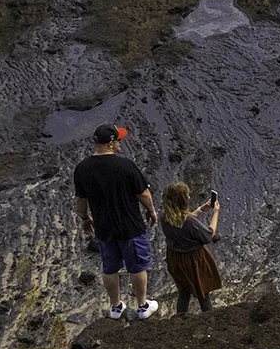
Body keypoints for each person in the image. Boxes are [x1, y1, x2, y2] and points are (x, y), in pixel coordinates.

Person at [73, 125, 159, 321]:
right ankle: (143, 305)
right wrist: (152, 211)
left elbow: (80, 199)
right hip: (130, 226)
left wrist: (85, 219)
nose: (120, 143)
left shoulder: (82, 169)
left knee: (110, 267)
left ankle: (115, 307)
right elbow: (143, 193)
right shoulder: (126, 166)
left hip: (104, 228)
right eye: (118, 140)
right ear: (110, 143)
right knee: (137, 266)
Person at [160, 182, 223, 315]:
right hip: (193, 260)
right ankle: (208, 317)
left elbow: (182, 220)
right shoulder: (189, 222)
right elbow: (208, 235)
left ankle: (180, 317)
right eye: (187, 196)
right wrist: (215, 212)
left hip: (175, 258)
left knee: (184, 290)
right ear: (183, 200)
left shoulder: (164, 216)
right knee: (202, 290)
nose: (189, 198)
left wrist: (201, 209)